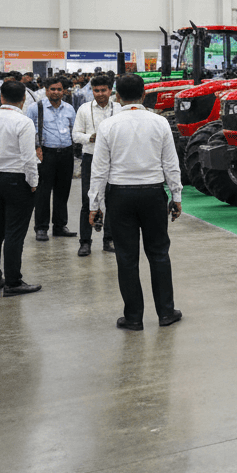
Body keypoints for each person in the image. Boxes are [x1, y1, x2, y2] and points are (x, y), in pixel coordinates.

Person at [88, 73, 183, 331]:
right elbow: (171, 164)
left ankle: (133, 318)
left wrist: (94, 205)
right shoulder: (160, 122)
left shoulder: (108, 125)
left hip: (120, 196)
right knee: (159, 254)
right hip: (153, 194)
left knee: (126, 257)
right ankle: (166, 313)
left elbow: (99, 170)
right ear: (144, 95)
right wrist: (176, 196)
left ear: (117, 96)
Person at [0, 80, 41, 296]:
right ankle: (13, 282)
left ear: (1, 97)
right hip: (17, 180)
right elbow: (28, 158)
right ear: (23, 99)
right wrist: (33, 182)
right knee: (15, 232)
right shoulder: (24, 122)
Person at [72, 74, 121, 256]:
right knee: (88, 200)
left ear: (110, 90)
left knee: (112, 200)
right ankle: (85, 242)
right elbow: (75, 135)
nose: (100, 94)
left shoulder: (119, 109)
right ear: (92, 91)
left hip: (114, 160)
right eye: (96, 90)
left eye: (103, 90)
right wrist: (90, 138)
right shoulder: (84, 109)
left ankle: (109, 239)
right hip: (90, 158)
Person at [26, 77, 77, 242]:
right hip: (45, 153)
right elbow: (28, 130)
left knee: (63, 191)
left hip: (66, 154)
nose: (56, 92)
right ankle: (41, 228)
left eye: (59, 89)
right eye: (52, 89)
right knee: (43, 192)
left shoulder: (69, 108)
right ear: (46, 90)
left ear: (64, 91)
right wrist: (36, 147)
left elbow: (74, 130)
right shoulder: (35, 108)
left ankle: (60, 226)